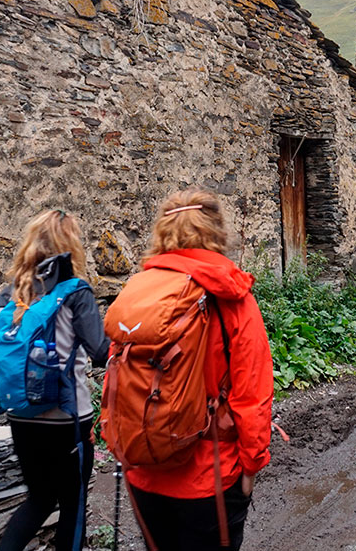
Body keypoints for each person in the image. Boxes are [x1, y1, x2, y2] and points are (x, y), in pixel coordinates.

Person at [122, 187, 274, 551]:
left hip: (143, 470)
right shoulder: (230, 298)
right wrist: (252, 464)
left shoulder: (138, 293)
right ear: (217, 231)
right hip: (211, 475)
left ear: (162, 231)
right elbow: (252, 392)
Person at [0, 209, 110, 551]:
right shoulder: (75, 290)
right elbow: (99, 350)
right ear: (69, 245)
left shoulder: (10, 293)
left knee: (39, 498)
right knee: (73, 503)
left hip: (20, 414)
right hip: (67, 417)